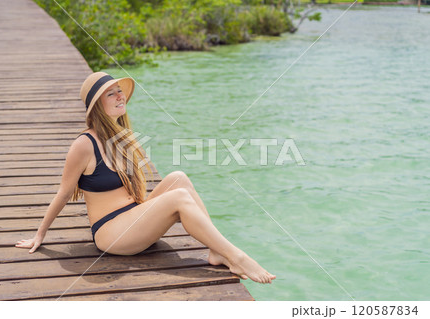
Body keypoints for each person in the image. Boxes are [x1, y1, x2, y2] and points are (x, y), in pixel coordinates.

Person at [15, 72, 276, 284]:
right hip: (111, 233)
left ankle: (217, 251)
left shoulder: (119, 137)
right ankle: (237, 257)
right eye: (111, 93)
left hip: (132, 218)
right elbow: (63, 192)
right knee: (179, 197)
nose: (120, 96)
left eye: (120, 91)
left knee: (178, 178)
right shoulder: (84, 144)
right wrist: (40, 234)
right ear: (97, 105)